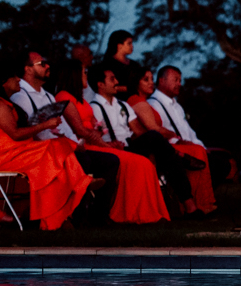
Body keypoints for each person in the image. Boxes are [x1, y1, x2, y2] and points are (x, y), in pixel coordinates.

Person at [52, 59, 168, 225]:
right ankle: (124, 213)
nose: (86, 75)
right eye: (83, 72)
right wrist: (105, 144)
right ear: (73, 75)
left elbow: (93, 128)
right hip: (82, 147)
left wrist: (103, 138)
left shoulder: (82, 101)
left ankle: (144, 212)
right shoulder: (64, 97)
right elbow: (81, 130)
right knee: (132, 161)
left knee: (142, 162)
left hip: (95, 144)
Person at [0, 65, 94, 230]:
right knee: (56, 149)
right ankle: (79, 183)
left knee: (57, 151)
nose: (19, 79)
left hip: (20, 152)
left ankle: (73, 191)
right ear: (3, 82)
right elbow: (16, 134)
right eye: (14, 77)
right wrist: (46, 124)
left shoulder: (5, 104)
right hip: (7, 157)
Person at [10, 50, 120, 221]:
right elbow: (28, 130)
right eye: (42, 64)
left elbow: (62, 125)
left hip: (62, 145)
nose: (48, 66)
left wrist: (76, 143)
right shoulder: (20, 96)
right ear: (28, 69)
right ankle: (75, 216)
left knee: (110, 161)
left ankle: (99, 216)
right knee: (83, 160)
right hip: (42, 150)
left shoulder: (48, 95)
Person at [87, 63, 203, 217]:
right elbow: (93, 136)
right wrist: (110, 144)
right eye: (112, 79)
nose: (116, 82)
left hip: (130, 145)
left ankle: (189, 205)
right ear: (100, 85)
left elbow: (139, 132)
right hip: (113, 150)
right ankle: (188, 201)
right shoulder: (93, 107)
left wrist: (155, 146)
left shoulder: (123, 105)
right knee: (165, 151)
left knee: (162, 150)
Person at [142, 66, 217, 213]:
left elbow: (189, 132)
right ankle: (196, 203)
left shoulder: (177, 106)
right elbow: (158, 132)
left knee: (218, 162)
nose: (179, 84)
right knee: (205, 161)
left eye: (180, 80)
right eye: (175, 80)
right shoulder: (153, 104)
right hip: (173, 148)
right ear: (162, 81)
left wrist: (202, 147)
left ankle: (200, 200)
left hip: (190, 147)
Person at [102, 30, 143, 104]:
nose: (132, 46)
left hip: (138, 100)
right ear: (119, 45)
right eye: (129, 43)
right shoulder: (107, 64)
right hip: (118, 102)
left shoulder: (134, 65)